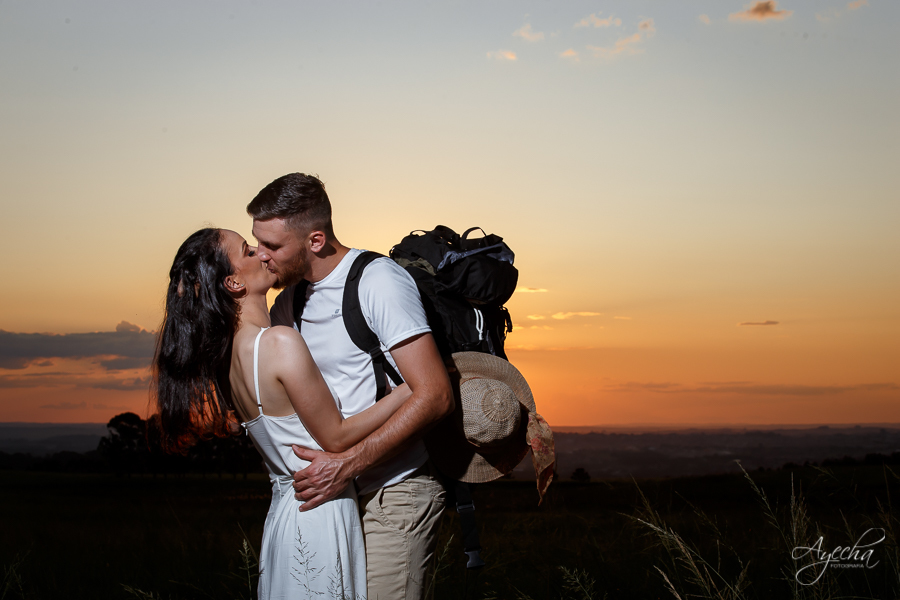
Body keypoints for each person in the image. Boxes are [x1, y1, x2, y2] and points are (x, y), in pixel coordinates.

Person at [153, 227, 414, 599]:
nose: (262, 252)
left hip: (284, 517)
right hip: (320, 510)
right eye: (247, 250)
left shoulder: (227, 359)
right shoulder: (278, 342)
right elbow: (336, 437)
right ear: (232, 282)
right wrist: (409, 389)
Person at [248, 173, 454, 600]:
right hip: (337, 500)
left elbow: (436, 395)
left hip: (396, 490)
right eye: (258, 243)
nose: (262, 257)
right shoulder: (288, 303)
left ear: (316, 240)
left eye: (273, 246)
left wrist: (348, 464)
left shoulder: (378, 280)